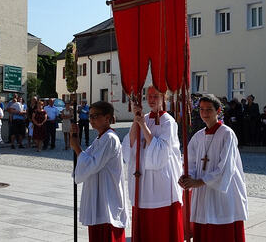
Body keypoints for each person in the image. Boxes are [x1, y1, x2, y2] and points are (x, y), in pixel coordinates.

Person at [179, 94, 248, 242]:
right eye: (202, 109)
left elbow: (226, 168)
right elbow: (190, 162)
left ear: (218, 111)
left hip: (223, 193)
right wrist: (187, 177)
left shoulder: (227, 134)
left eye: (209, 109)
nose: (204, 113)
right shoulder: (198, 137)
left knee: (221, 232)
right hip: (203, 193)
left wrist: (199, 182)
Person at [122, 85, 184, 242]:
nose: (151, 99)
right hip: (143, 178)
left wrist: (143, 125)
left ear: (164, 98)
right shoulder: (146, 116)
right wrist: (136, 120)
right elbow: (130, 144)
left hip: (160, 179)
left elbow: (161, 151)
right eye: (149, 96)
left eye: (155, 96)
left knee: (159, 226)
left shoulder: (168, 121)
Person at [70, 101, 129, 242]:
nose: (91, 120)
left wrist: (77, 148)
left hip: (108, 197)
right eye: (90, 116)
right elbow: (86, 159)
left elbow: (92, 164)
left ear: (107, 118)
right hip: (98, 197)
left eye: (95, 116)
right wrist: (75, 138)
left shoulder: (110, 138)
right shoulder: (99, 139)